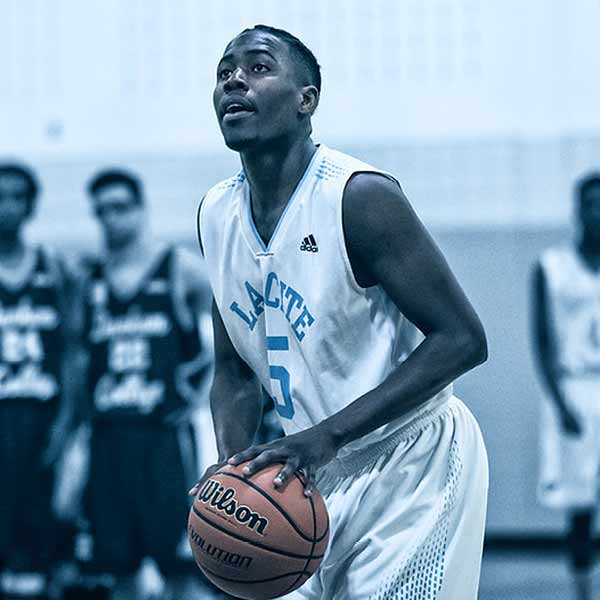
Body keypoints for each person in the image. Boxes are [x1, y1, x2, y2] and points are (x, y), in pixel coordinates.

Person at [191, 24, 489, 600]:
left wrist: (326, 436)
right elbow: (232, 369)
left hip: (409, 460)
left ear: (307, 101)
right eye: (224, 70)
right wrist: (234, 470)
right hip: (304, 470)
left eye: (257, 67)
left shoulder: (359, 197)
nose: (234, 79)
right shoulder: (215, 214)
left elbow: (462, 339)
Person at [78, 168, 215, 600]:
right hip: (108, 437)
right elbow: (78, 359)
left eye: (120, 208)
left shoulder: (181, 270)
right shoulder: (90, 279)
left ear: (140, 209)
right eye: (102, 212)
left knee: (183, 569)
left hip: (165, 438)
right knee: (118, 568)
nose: (111, 219)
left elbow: (228, 343)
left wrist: (200, 396)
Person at [0, 163, 77, 599]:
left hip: (40, 418)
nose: (6, 207)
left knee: (38, 538)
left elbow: (72, 352)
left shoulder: (55, 268)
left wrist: (67, 424)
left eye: (15, 196)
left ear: (30, 205)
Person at [532, 172, 600, 600]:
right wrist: (560, 403)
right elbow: (542, 341)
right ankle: (583, 591)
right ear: (578, 209)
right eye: (591, 203)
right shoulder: (551, 267)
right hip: (574, 390)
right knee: (580, 507)